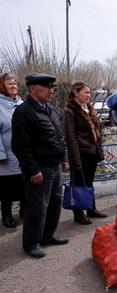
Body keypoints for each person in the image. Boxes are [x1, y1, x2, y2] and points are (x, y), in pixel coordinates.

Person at [11, 73, 69, 258]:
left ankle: (47, 235)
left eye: (53, 87)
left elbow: (59, 136)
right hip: (40, 169)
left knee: (54, 203)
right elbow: (20, 146)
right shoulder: (23, 112)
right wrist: (32, 170)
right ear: (33, 88)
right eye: (47, 87)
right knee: (37, 207)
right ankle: (31, 243)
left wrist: (64, 158)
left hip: (55, 165)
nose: (51, 91)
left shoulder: (50, 109)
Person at [62, 81, 107, 225]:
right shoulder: (70, 111)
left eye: (89, 92)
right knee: (79, 184)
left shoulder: (87, 107)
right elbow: (70, 137)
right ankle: (78, 213)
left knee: (88, 183)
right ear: (76, 92)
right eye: (86, 92)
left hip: (91, 153)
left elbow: (94, 131)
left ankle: (91, 208)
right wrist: (75, 160)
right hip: (80, 154)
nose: (89, 95)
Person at [0, 73, 24, 228]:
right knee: (7, 188)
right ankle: (7, 214)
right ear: (2, 86)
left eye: (15, 83)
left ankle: (25, 209)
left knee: (25, 184)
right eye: (9, 84)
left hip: (24, 154)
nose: (13, 86)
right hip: (7, 155)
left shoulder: (22, 103)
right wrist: (1, 154)